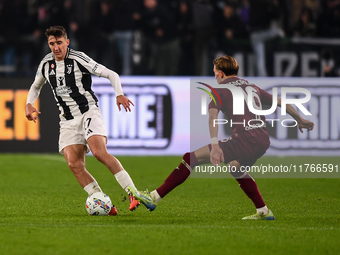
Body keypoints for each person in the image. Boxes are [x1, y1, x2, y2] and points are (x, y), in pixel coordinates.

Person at [128, 55, 315, 220]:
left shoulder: (219, 90)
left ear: (221, 73)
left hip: (245, 138)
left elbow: (212, 118)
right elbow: (282, 102)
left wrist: (216, 145)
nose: (214, 75)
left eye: (215, 72)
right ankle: (263, 211)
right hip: (262, 139)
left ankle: (153, 197)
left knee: (190, 158)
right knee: (235, 166)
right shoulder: (251, 86)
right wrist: (300, 119)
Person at [25, 26, 140, 215]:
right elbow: (36, 86)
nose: (56, 48)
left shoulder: (78, 59)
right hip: (67, 120)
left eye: (59, 43)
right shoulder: (46, 64)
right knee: (74, 164)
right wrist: (29, 104)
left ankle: (132, 193)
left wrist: (119, 94)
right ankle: (103, 203)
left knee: (99, 152)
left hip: (88, 112)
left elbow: (112, 74)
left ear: (67, 42)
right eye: (52, 44)